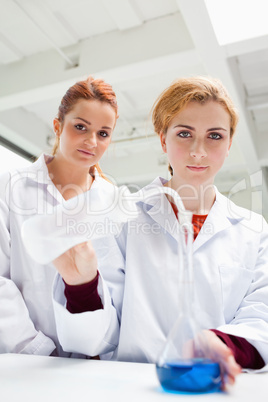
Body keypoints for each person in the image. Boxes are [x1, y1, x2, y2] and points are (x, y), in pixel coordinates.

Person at [52, 76, 267, 384]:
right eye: (184, 133)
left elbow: (262, 314)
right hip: (132, 387)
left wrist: (225, 344)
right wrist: (80, 284)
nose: (198, 151)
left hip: (215, 384)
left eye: (215, 136)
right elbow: (92, 341)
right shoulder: (121, 216)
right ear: (163, 139)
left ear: (230, 143)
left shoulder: (254, 230)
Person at [0, 75, 119, 356]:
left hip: (96, 361)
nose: (92, 141)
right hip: (24, 360)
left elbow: (116, 290)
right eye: (80, 127)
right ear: (58, 126)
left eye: (103, 133)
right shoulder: (10, 187)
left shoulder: (111, 202)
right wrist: (37, 351)